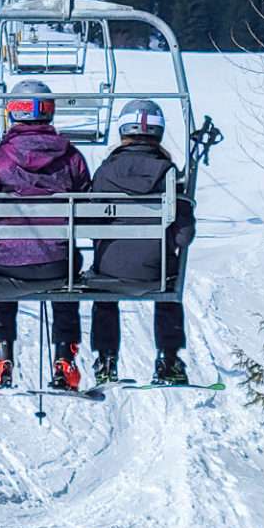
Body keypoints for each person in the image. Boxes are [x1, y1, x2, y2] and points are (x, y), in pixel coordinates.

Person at [0, 79, 91, 390]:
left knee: (3, 281)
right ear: (49, 113)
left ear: (13, 113)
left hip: (9, 263)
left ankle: (2, 359)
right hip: (57, 263)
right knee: (66, 279)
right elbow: (86, 208)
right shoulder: (72, 158)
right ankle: (64, 362)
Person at [89, 99, 195, 385]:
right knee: (169, 284)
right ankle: (169, 360)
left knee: (104, 293)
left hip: (110, 267)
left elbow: (89, 222)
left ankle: (107, 360)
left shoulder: (104, 172)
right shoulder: (169, 174)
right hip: (154, 270)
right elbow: (184, 236)